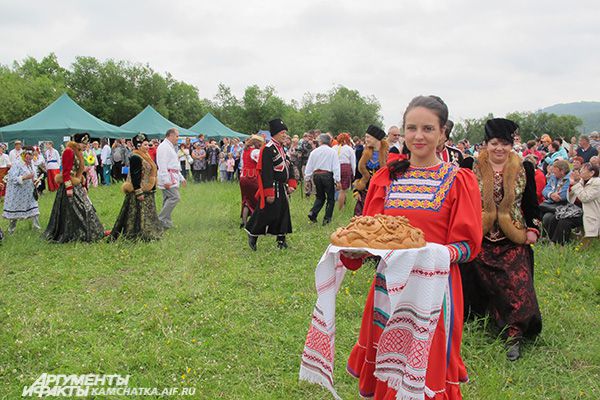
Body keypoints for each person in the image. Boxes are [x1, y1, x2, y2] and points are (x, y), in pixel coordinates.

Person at [337, 96, 482, 399]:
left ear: (443, 133)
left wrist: (434, 253)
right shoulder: (386, 178)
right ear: (403, 132)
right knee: (389, 366)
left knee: (425, 369)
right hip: (388, 289)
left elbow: (468, 246)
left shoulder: (459, 180)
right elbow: (370, 234)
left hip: (435, 291)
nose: (418, 136)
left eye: (428, 128)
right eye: (411, 128)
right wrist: (355, 250)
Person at [461, 118, 542, 361]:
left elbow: (531, 204)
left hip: (512, 237)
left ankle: (515, 333)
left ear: (512, 144)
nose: (499, 149)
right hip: (479, 237)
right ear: (486, 144)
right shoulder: (469, 165)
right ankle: (476, 320)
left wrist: (533, 229)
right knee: (472, 280)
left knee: (518, 286)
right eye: (494, 143)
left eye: (505, 144)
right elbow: (461, 202)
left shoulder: (524, 168)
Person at [245, 119, 297, 251]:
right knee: (266, 213)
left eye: (285, 133)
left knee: (283, 213)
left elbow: (288, 166)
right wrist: (269, 192)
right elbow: (266, 172)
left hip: (282, 187)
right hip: (273, 186)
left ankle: (281, 239)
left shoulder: (282, 148)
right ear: (275, 133)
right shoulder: (268, 149)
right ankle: (253, 234)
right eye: (283, 133)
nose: (285, 135)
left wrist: (291, 183)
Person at [44, 133, 105, 243]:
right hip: (69, 185)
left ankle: (90, 229)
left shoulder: (79, 152)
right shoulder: (69, 151)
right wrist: (68, 188)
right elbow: (66, 172)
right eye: (83, 144)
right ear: (77, 143)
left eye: (86, 144)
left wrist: (82, 183)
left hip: (76, 184)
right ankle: (74, 232)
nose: (85, 146)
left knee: (86, 208)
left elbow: (79, 171)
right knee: (73, 210)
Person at [110, 133, 163, 241]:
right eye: (145, 145)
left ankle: (149, 232)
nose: (148, 147)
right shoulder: (135, 157)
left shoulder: (146, 155)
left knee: (147, 214)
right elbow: (135, 175)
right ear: (138, 146)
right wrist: (138, 191)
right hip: (139, 190)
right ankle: (136, 234)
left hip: (147, 189)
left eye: (148, 145)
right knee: (135, 215)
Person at [304, 133, 341, 225]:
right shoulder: (332, 152)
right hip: (327, 175)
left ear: (320, 141)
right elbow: (336, 166)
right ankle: (327, 219)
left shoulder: (314, 152)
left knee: (320, 196)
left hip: (317, 175)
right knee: (330, 198)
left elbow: (309, 166)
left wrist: (307, 178)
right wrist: (337, 180)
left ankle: (313, 212)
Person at [2, 147, 41, 234]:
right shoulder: (17, 164)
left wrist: (35, 181)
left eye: (32, 155)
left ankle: (37, 229)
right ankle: (11, 231)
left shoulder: (32, 164)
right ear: (24, 154)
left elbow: (33, 176)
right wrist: (24, 177)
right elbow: (12, 179)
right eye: (29, 155)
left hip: (29, 192)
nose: (31, 157)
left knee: (35, 210)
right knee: (15, 214)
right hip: (18, 193)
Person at [353, 124, 389, 216]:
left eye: (368, 137)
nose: (366, 140)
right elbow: (357, 174)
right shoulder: (361, 152)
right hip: (365, 193)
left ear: (376, 138)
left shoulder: (388, 154)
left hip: (381, 193)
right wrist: (356, 191)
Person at [156, 128, 186, 229]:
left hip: (173, 175)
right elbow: (162, 164)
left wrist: (181, 178)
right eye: (177, 136)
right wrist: (165, 180)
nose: (178, 138)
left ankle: (166, 223)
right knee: (175, 197)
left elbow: (174, 165)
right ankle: (160, 219)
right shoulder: (164, 147)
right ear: (170, 135)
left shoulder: (170, 146)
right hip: (168, 177)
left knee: (167, 199)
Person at [239, 135, 264, 228]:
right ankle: (256, 222)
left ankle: (244, 222)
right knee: (257, 199)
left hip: (243, 177)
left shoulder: (245, 151)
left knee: (246, 200)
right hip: (252, 177)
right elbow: (261, 163)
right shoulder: (255, 152)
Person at [541, 160, 571, 233]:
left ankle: (548, 239)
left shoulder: (569, 179)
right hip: (551, 203)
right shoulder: (554, 177)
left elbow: (563, 195)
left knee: (547, 218)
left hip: (563, 205)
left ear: (562, 171)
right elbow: (544, 190)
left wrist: (552, 194)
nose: (553, 174)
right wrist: (551, 194)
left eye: (555, 172)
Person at [332, 132, 356, 210]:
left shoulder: (334, 148)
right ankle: (340, 208)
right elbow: (353, 162)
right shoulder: (349, 149)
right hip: (345, 168)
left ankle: (335, 204)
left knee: (336, 187)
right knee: (343, 190)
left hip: (335, 167)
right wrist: (354, 173)